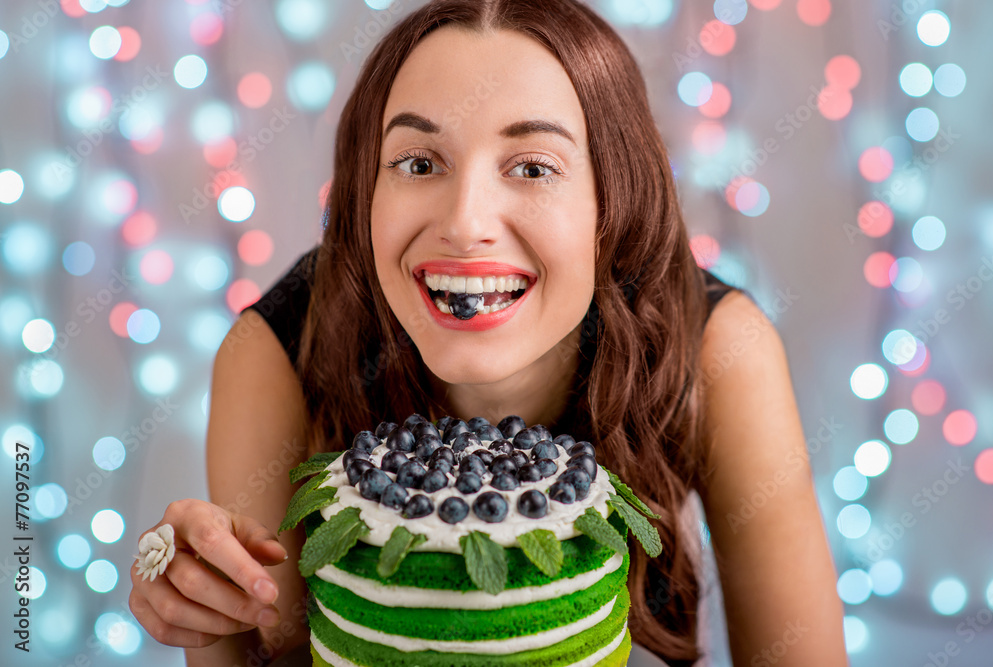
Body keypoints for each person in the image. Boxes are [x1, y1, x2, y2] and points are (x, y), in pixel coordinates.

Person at [128, 1, 850, 665]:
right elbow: (274, 645)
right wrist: (210, 608)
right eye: (418, 162)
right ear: (363, 193)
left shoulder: (720, 349)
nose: (466, 221)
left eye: (533, 166)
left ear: (614, 203)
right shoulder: (278, 351)